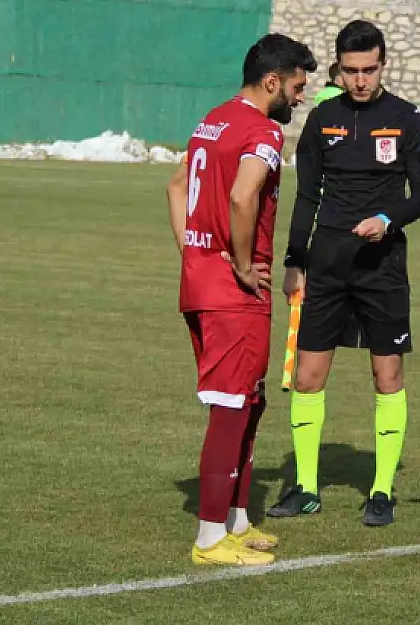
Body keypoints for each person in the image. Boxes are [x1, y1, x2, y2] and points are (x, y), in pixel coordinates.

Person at [267, 19, 420, 527]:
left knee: (387, 377)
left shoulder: (406, 118)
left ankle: (382, 490)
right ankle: (306, 487)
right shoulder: (322, 118)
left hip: (383, 268)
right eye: (351, 71)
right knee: (308, 376)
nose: (360, 80)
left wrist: (389, 220)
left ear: (382, 66)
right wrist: (295, 259)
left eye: (369, 70)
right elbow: (307, 196)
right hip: (328, 263)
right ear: (339, 68)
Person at [165, 33, 316, 566]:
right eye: (297, 87)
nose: (301, 98)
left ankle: (236, 518)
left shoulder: (213, 119)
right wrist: (244, 261)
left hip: (202, 281)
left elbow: (177, 186)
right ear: (272, 81)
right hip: (233, 293)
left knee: (250, 398)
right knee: (232, 406)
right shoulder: (264, 131)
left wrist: (195, 251)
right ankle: (209, 538)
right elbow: (241, 194)